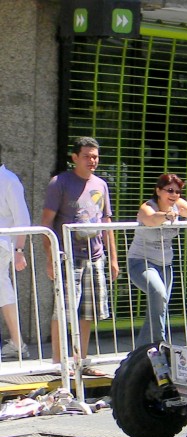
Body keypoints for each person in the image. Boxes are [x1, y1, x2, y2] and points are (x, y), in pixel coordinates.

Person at [40, 137, 118, 375]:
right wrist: (50, 259)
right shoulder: (59, 183)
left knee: (89, 311)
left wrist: (113, 259)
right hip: (67, 257)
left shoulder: (101, 184)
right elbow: (46, 224)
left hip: (95, 257)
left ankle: (81, 360)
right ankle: (58, 361)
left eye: (95, 156)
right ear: (74, 157)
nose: (92, 161)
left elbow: (107, 223)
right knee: (63, 310)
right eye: (87, 156)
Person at [127, 173, 187, 347]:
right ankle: (160, 346)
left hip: (165, 265)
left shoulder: (177, 205)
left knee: (158, 309)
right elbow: (150, 219)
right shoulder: (147, 207)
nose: (174, 195)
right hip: (141, 262)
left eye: (178, 192)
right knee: (159, 294)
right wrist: (166, 216)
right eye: (169, 190)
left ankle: (140, 355)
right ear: (158, 191)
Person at [0, 158, 31, 360]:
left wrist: (19, 249)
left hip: (3, 243)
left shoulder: (9, 180)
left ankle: (18, 343)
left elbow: (22, 218)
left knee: (3, 287)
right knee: (2, 287)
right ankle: (18, 342)